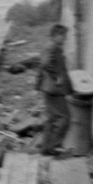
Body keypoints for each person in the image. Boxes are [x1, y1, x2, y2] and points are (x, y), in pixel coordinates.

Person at [37, 24, 70, 156]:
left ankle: (46, 148)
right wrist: (57, 77)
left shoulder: (52, 46)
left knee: (51, 119)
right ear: (56, 35)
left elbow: (43, 66)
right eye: (63, 36)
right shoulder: (52, 47)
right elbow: (45, 64)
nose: (65, 38)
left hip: (49, 88)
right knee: (64, 118)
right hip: (53, 89)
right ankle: (53, 146)